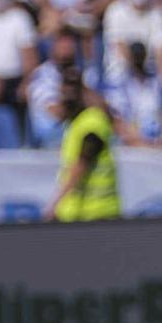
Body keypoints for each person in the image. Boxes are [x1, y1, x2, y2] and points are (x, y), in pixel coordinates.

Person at [45, 71, 120, 222]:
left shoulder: (93, 121)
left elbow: (82, 162)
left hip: (99, 212)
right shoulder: (74, 125)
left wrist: (55, 203)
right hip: (78, 212)